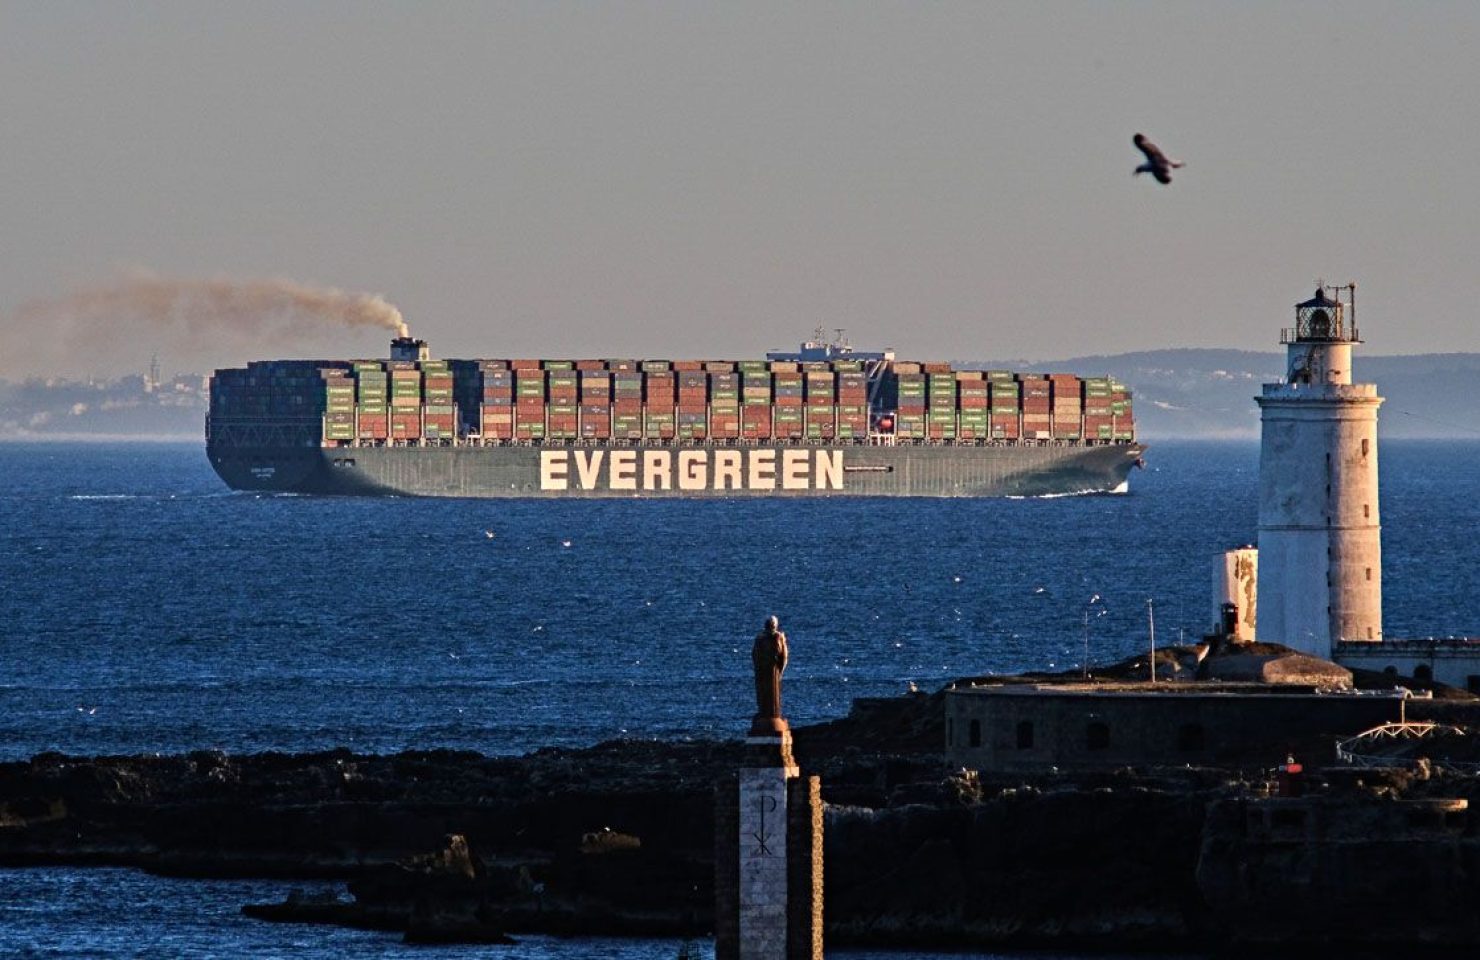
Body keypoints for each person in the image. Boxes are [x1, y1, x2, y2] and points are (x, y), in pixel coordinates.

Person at [751, 615, 788, 723]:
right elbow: (784, 656)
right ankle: (771, 714)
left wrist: (758, 667)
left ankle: (766, 713)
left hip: (765, 670)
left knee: (765, 691)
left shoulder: (760, 638)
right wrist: (781, 669)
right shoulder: (778, 637)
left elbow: (754, 655)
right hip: (772, 670)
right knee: (771, 692)